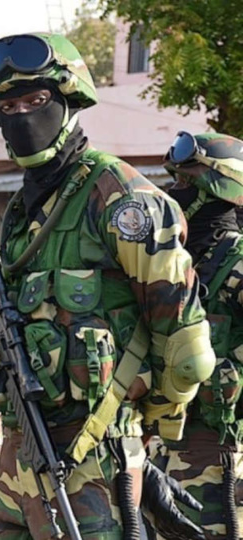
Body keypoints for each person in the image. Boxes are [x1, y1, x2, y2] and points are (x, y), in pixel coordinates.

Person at [0, 33, 214, 539]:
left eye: (36, 101)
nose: (22, 116)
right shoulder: (22, 208)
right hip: (22, 450)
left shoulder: (120, 197)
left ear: (68, 99)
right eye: (9, 105)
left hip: (93, 452)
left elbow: (186, 347)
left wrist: (139, 432)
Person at [161, 132, 243, 539]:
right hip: (161, 448)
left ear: (217, 189)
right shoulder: (175, 264)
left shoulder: (238, 262)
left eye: (183, 182)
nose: (172, 193)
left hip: (217, 456)